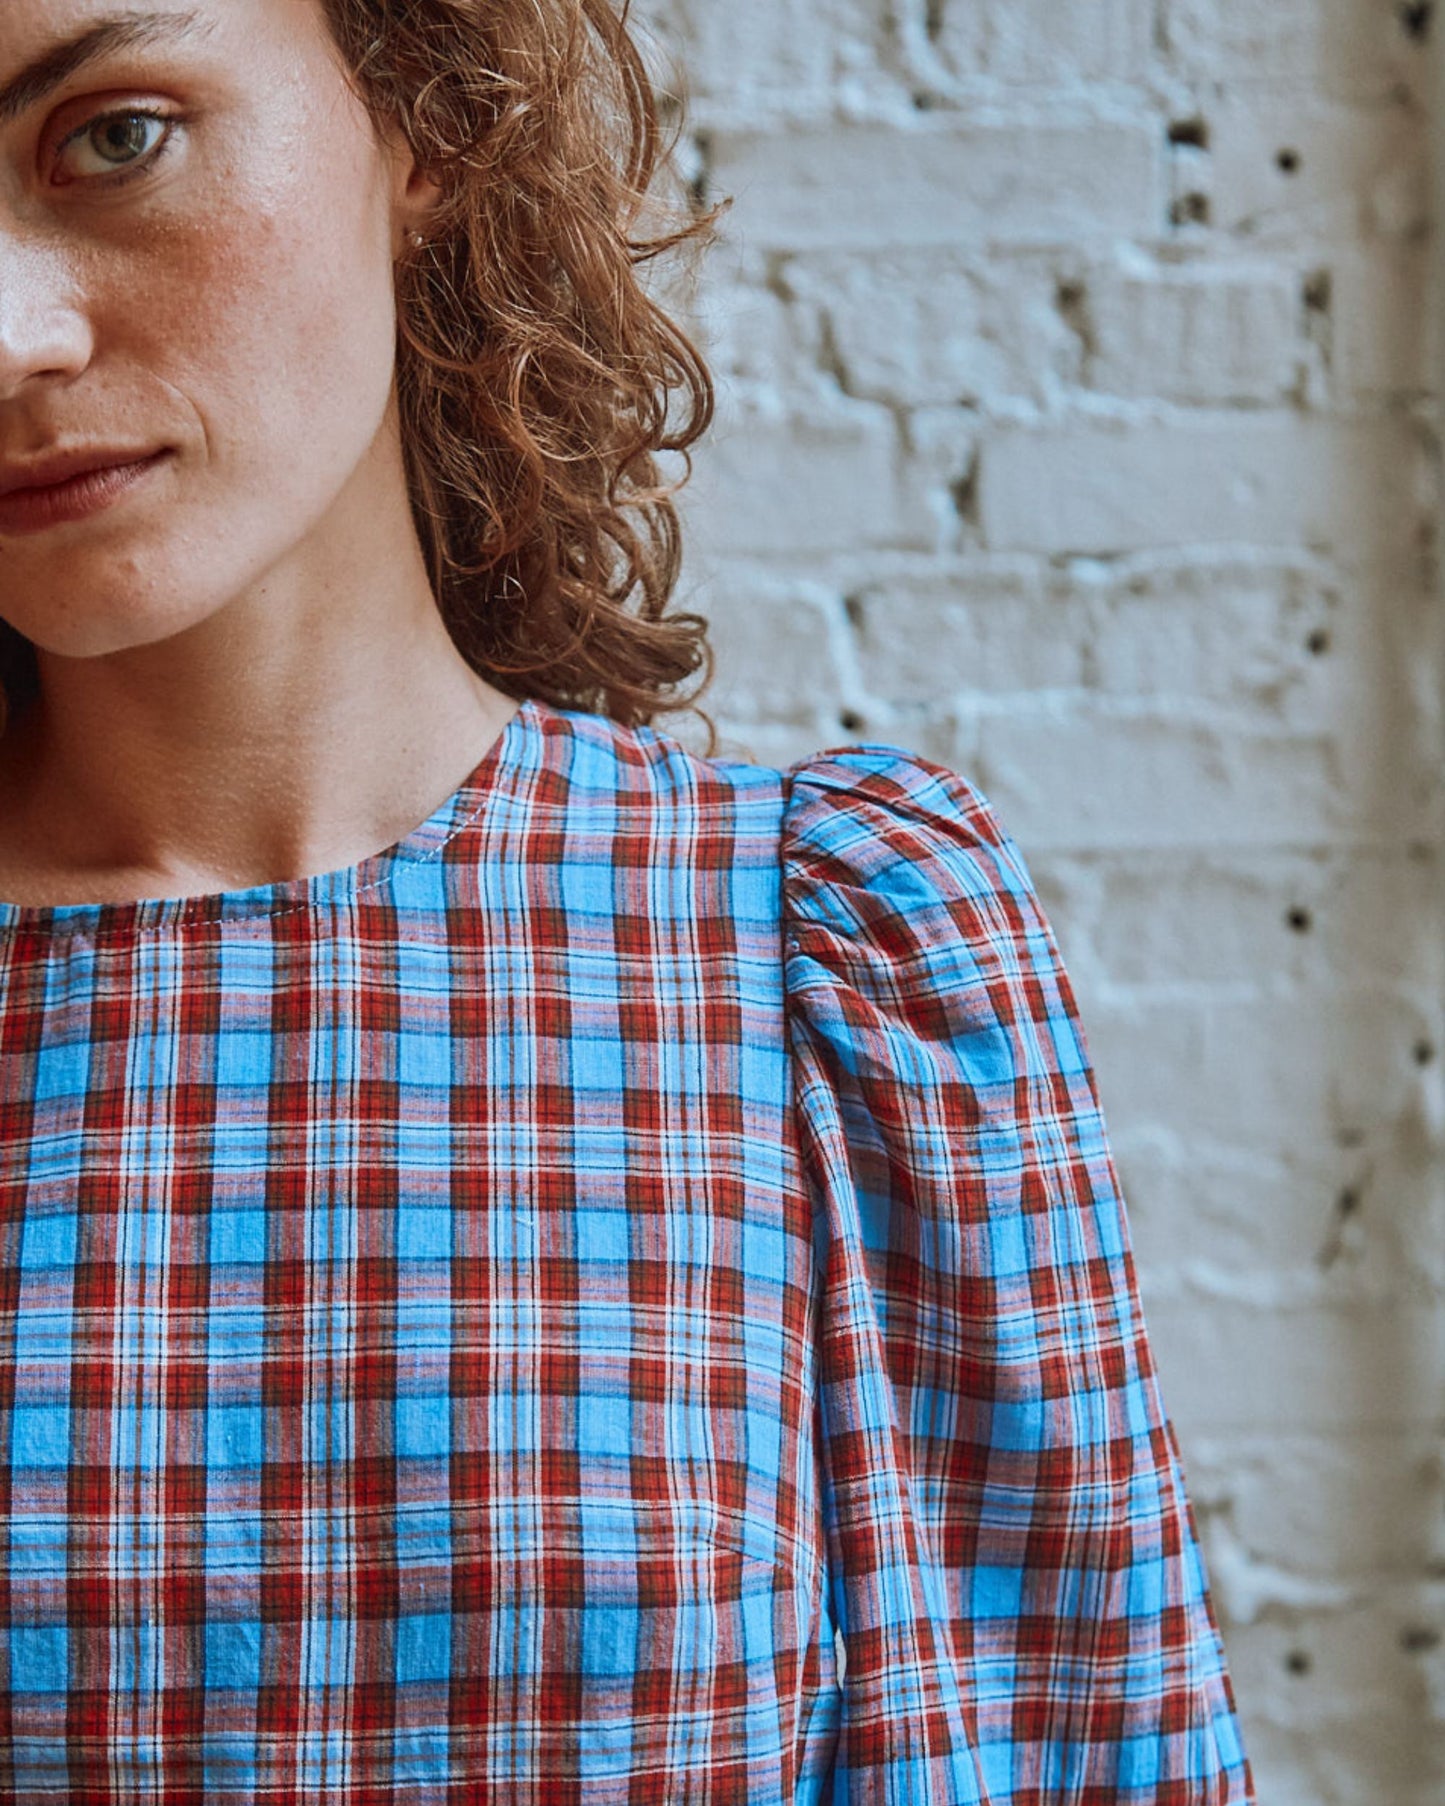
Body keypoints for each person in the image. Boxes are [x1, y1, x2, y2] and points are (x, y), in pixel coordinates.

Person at [0, 1, 1254, 1800]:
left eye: (115, 136)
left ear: (421, 111)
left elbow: (1072, 1754)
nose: (13, 335)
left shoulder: (830, 954)